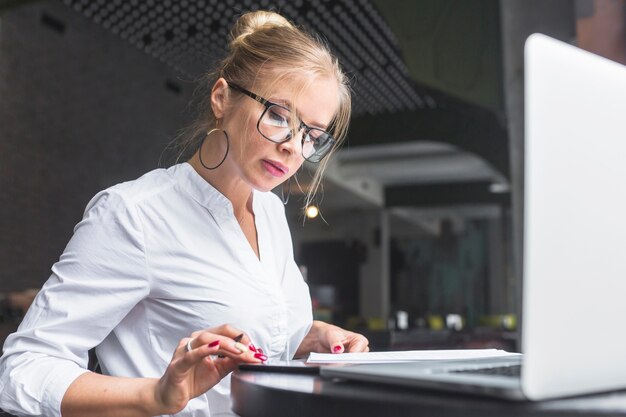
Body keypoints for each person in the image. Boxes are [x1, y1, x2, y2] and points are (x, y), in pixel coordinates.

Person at [0, 9, 369, 417]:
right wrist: (154, 396)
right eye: (279, 116)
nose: (293, 147)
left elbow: (237, 328)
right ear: (221, 97)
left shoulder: (269, 212)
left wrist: (308, 337)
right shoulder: (134, 215)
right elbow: (22, 371)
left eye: (311, 135)